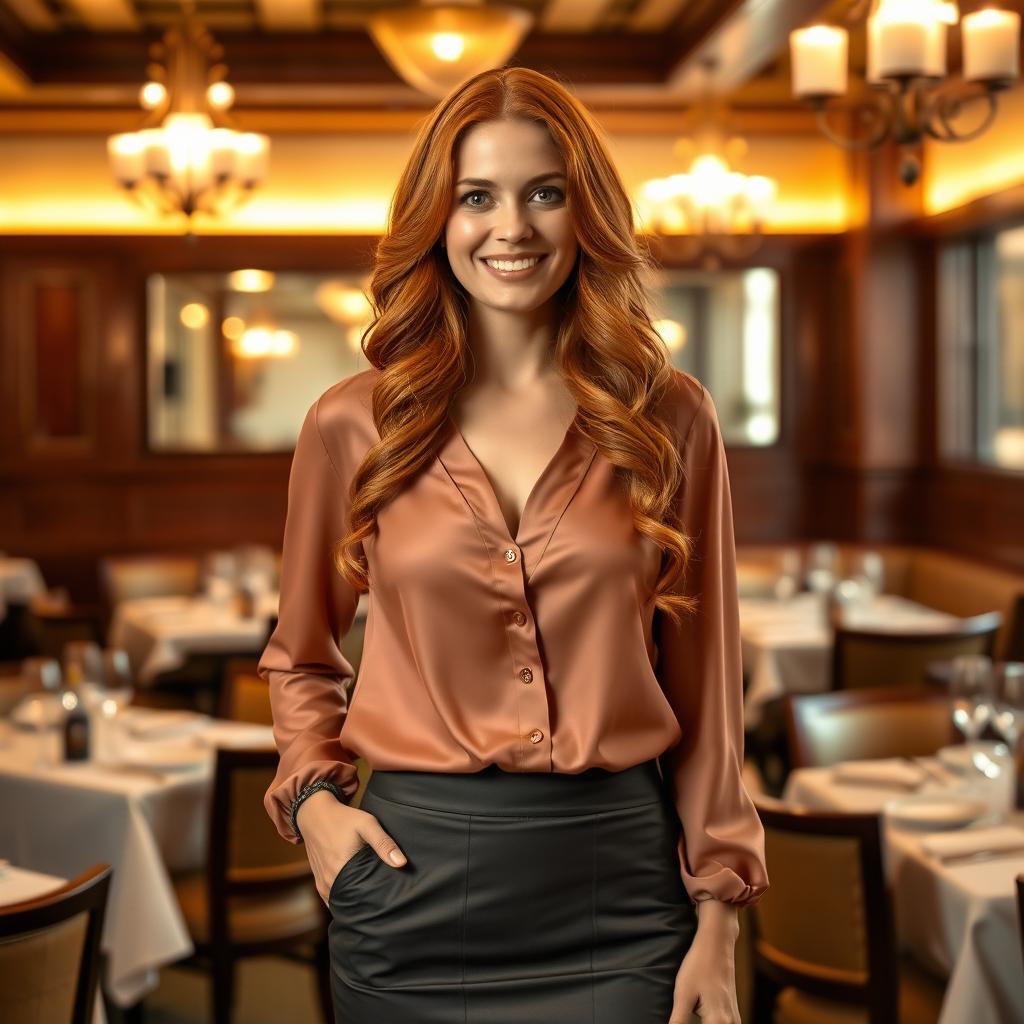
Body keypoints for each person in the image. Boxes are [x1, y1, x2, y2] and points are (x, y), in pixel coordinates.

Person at [259, 65, 769, 1024]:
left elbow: (708, 686)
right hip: (409, 885)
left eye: (545, 193)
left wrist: (720, 913)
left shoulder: (670, 418)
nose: (512, 228)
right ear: (435, 220)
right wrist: (317, 805)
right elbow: (301, 656)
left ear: (588, 215)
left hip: (620, 887)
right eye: (476, 197)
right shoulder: (350, 425)